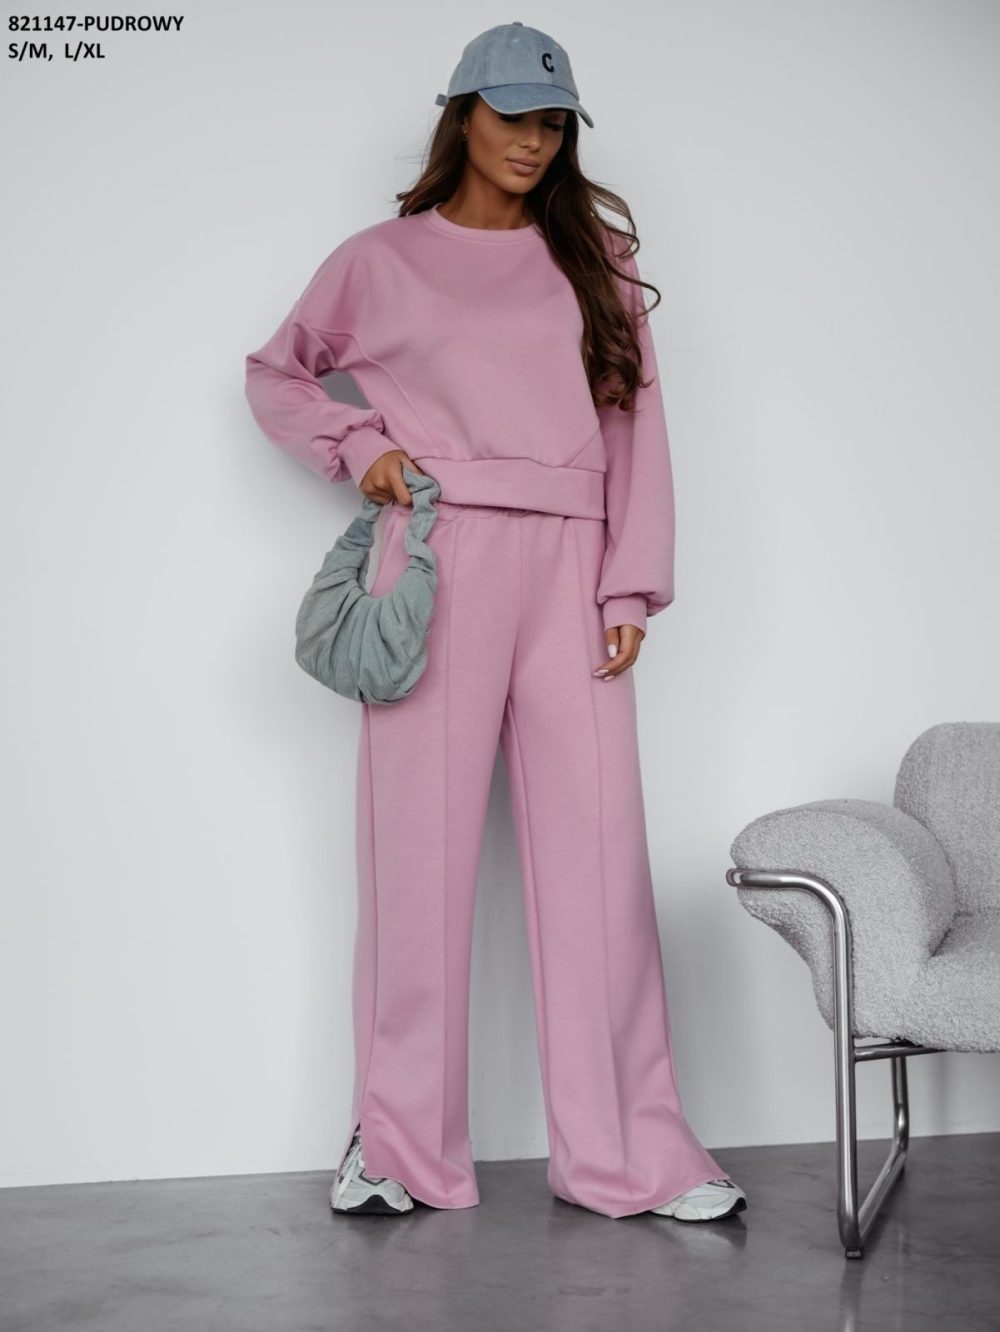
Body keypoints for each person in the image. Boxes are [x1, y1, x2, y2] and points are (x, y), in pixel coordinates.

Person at [244, 21, 747, 1225]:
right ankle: (398, 1149)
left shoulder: (596, 260)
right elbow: (277, 374)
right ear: (462, 115)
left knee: (599, 868)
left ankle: (631, 1155)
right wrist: (360, 447)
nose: (533, 140)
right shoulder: (378, 261)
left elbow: (635, 426)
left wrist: (629, 583)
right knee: (414, 864)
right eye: (513, 115)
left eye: (553, 122)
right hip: (436, 557)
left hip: (572, 564)